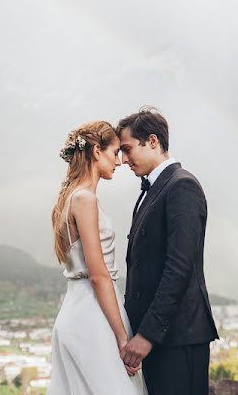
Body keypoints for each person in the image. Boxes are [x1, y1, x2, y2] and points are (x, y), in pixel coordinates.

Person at [117, 107, 220, 395]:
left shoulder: (182, 186)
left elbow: (179, 267)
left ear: (152, 141)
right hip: (159, 336)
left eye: (127, 149)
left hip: (177, 336)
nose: (123, 160)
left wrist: (148, 335)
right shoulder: (150, 190)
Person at [49, 120, 147, 394]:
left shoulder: (69, 199)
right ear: (96, 152)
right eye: (114, 153)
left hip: (76, 310)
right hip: (95, 316)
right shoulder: (85, 200)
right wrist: (121, 338)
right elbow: (99, 275)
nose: (118, 162)